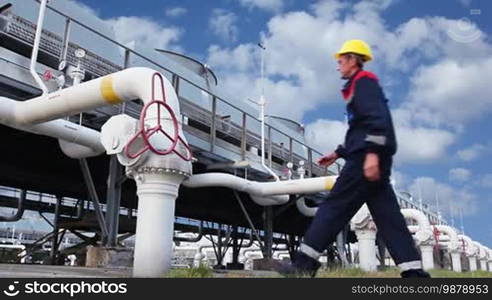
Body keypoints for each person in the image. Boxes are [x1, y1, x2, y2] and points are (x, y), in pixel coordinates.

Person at [277, 40, 430, 278]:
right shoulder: (358, 86)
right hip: (371, 158)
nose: (338, 67)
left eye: (341, 61)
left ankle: (303, 265)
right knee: (389, 219)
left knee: (333, 208)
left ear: (352, 59)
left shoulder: (364, 83)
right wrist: (338, 153)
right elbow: (359, 128)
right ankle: (414, 274)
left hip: (364, 161)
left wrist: (370, 155)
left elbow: (376, 120)